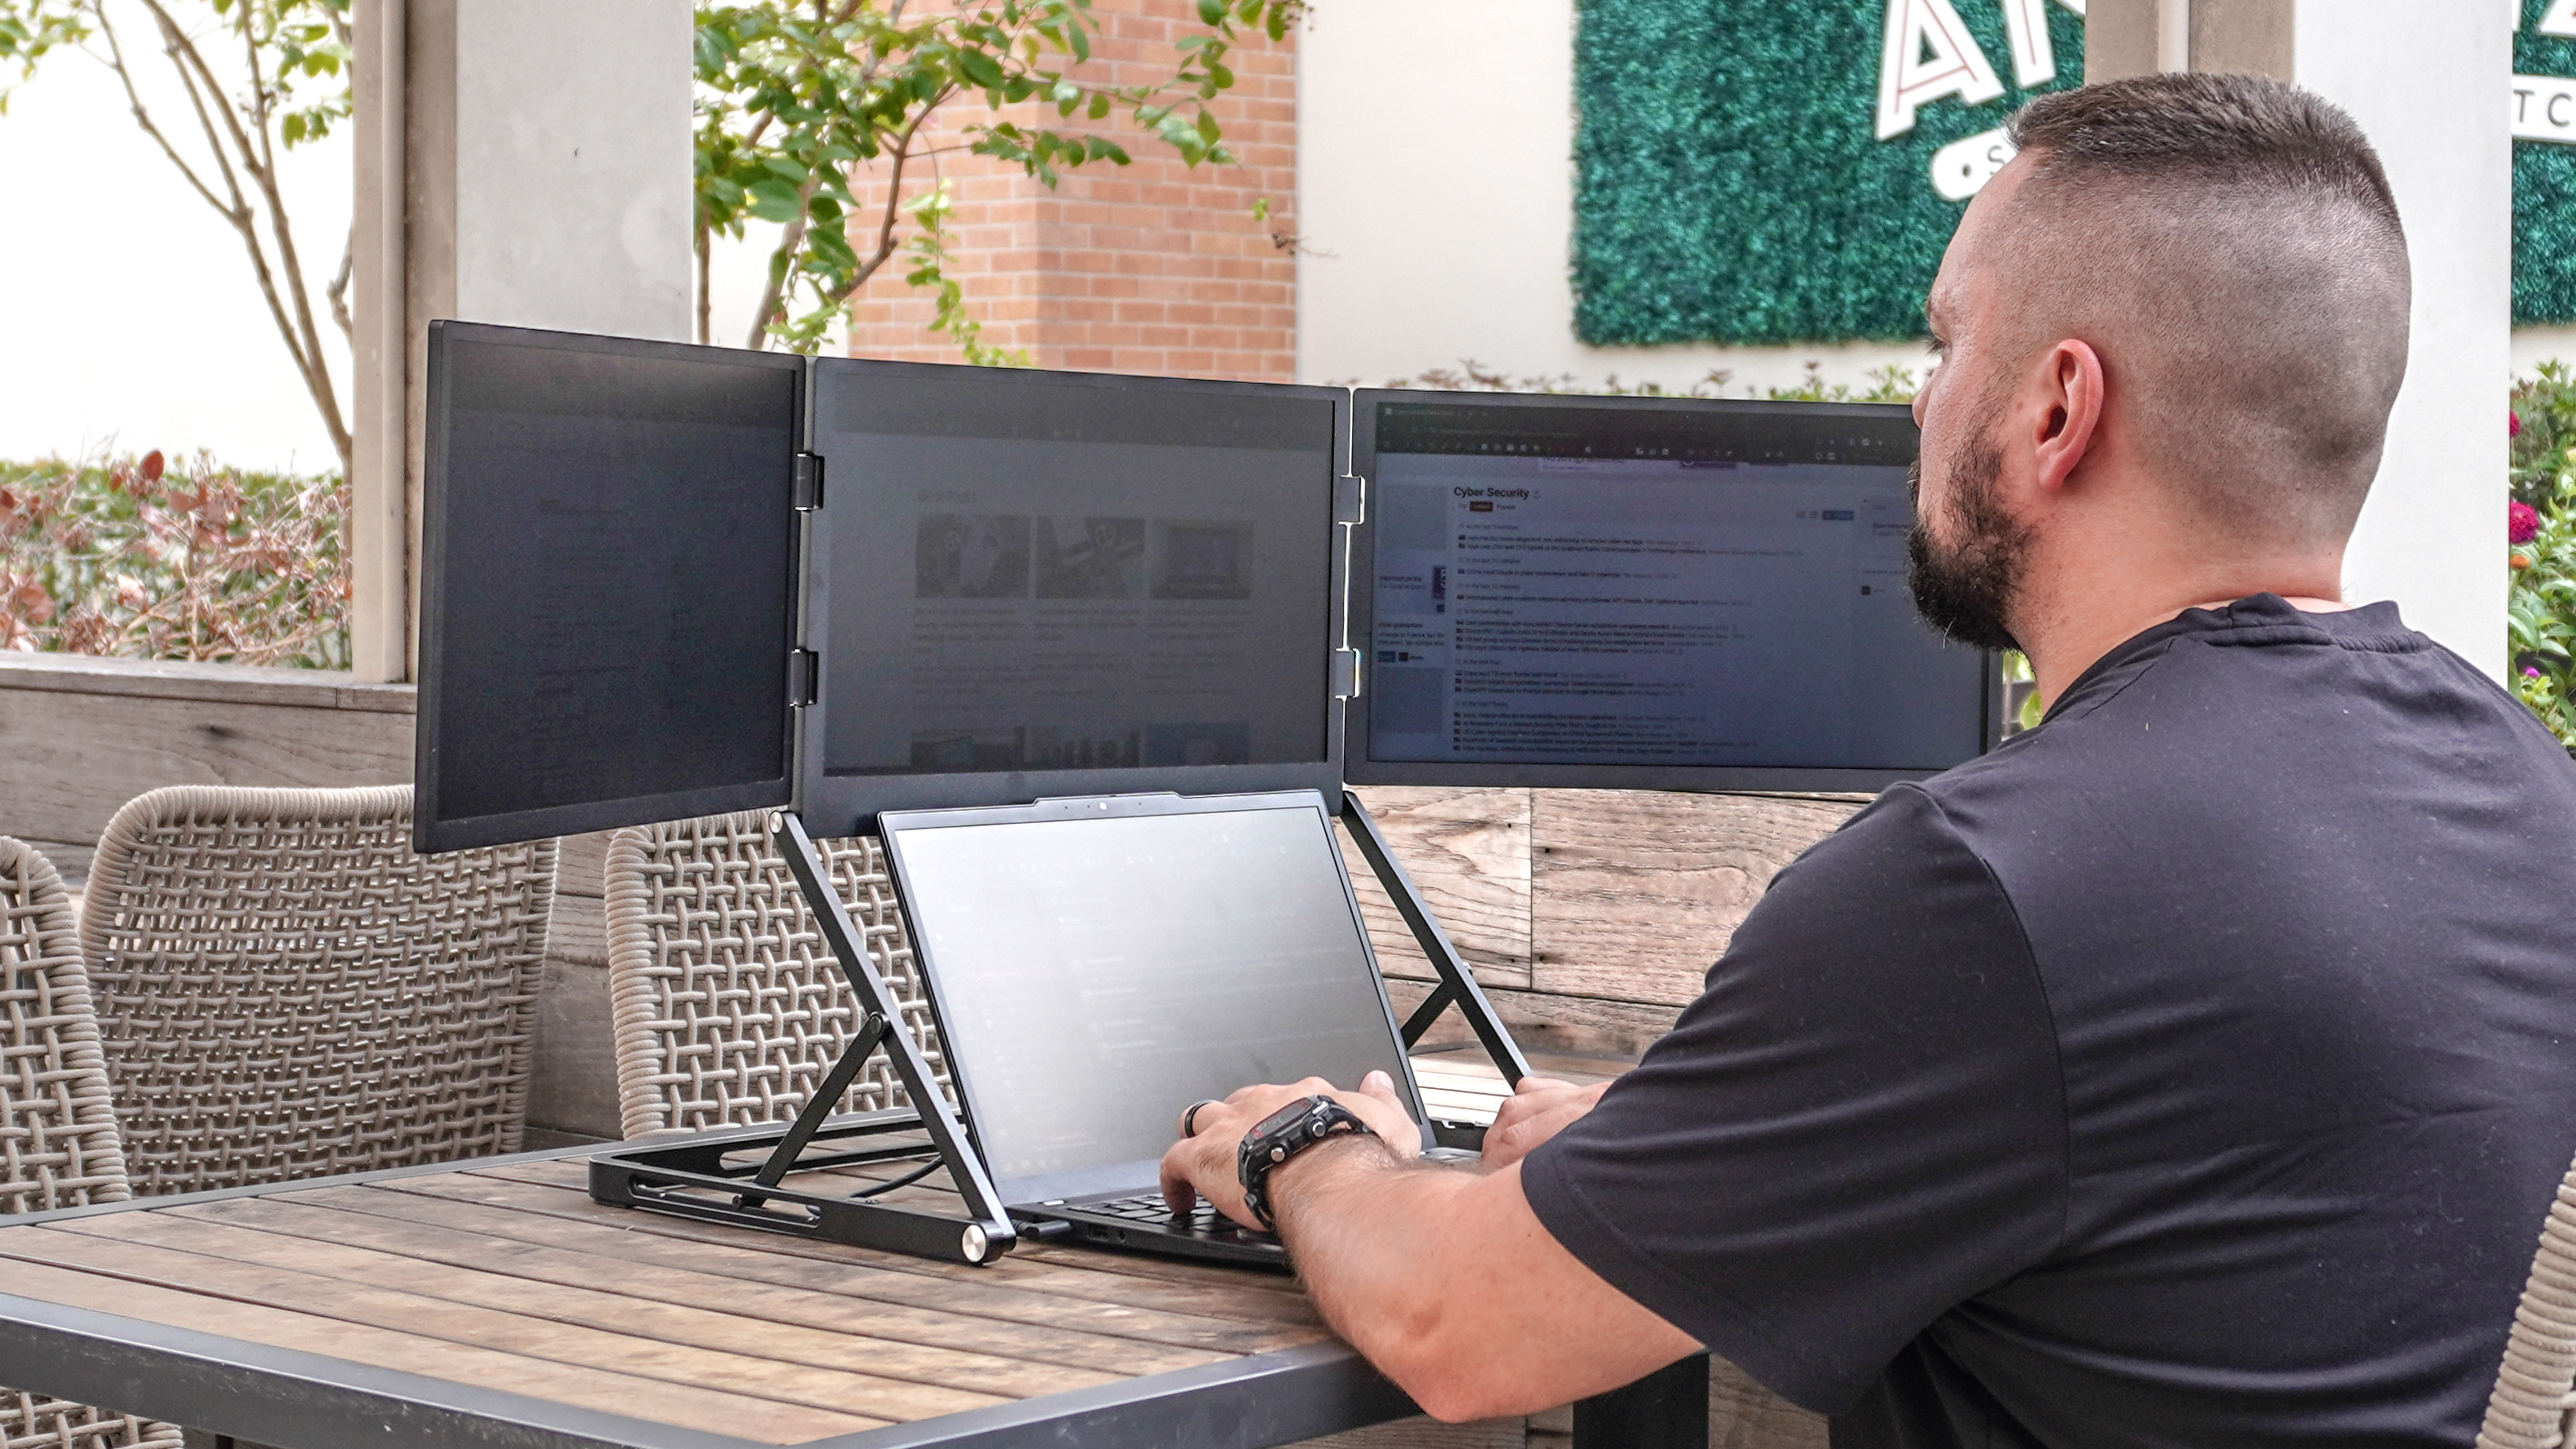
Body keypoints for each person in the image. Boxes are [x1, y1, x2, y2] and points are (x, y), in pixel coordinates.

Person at [1158, 72, 2576, 1448]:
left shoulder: (1987, 886)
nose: (1917, 400)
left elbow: (1459, 1324)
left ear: (2055, 409)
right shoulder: (2526, 787)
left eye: (1946, 341)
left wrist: (1305, 1146)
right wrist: (1708, 1155)